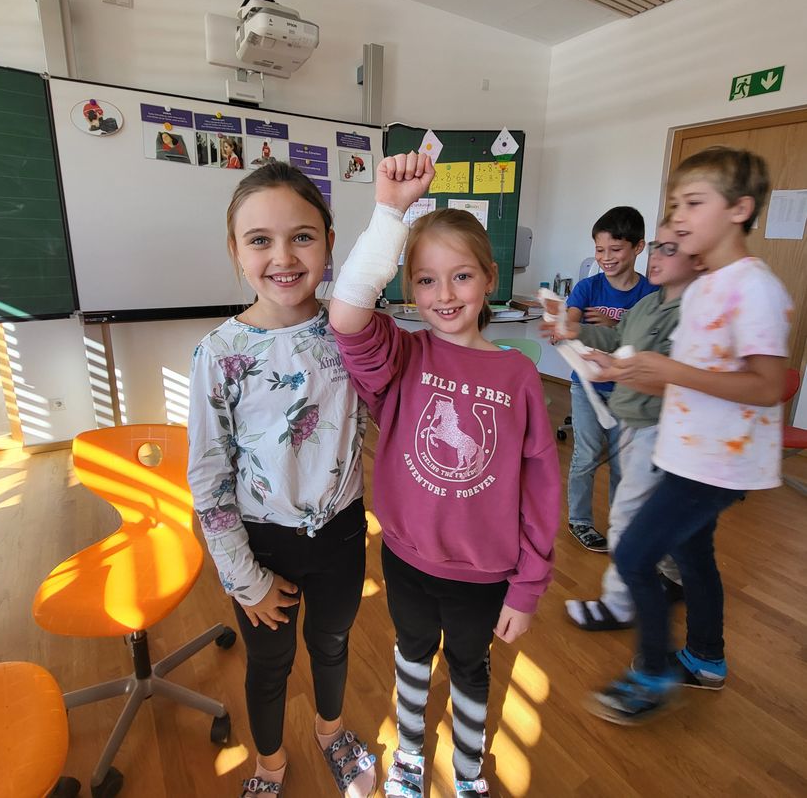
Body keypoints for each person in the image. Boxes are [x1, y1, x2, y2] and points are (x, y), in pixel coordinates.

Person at [329, 152, 560, 798]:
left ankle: (467, 771)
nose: (445, 295)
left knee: (469, 666)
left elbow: (541, 485)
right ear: (408, 291)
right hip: (405, 560)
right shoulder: (401, 355)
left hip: (481, 575)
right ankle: (407, 755)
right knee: (409, 655)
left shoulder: (517, 377)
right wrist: (388, 214)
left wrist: (527, 586)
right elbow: (346, 317)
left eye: (460, 276)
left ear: (489, 280)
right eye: (426, 282)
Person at [187, 161, 377, 798]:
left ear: (329, 239)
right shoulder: (219, 353)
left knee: (332, 643)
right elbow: (209, 479)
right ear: (235, 251)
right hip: (263, 543)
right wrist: (245, 578)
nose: (284, 256)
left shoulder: (354, 332)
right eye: (260, 239)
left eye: (303, 235)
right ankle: (269, 765)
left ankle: (330, 730)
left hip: (344, 533)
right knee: (269, 665)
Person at [586, 146, 792, 725]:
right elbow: (693, 371)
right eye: (674, 204)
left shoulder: (754, 287)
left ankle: (652, 673)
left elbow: (766, 384)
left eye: (693, 203)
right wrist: (623, 368)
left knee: (632, 554)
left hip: (718, 466)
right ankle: (705, 658)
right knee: (693, 556)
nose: (676, 217)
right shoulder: (702, 286)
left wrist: (667, 372)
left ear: (739, 210)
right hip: (687, 453)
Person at [542, 219, 703, 632]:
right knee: (627, 495)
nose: (658, 258)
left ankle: (626, 598)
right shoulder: (649, 305)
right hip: (628, 415)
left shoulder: (690, 311)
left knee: (633, 512)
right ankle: (665, 576)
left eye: (671, 249)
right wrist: (577, 330)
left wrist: (614, 365)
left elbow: (665, 370)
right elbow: (615, 341)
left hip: (653, 423)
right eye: (660, 248)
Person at [564, 206, 657, 552]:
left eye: (615, 250)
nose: (605, 257)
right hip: (586, 386)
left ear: (638, 248)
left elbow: (648, 344)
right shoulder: (587, 288)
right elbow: (571, 326)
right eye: (599, 250)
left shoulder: (650, 295)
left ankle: (622, 525)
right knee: (586, 456)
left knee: (624, 463)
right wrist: (569, 327)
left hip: (628, 393)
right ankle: (580, 520)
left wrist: (615, 327)